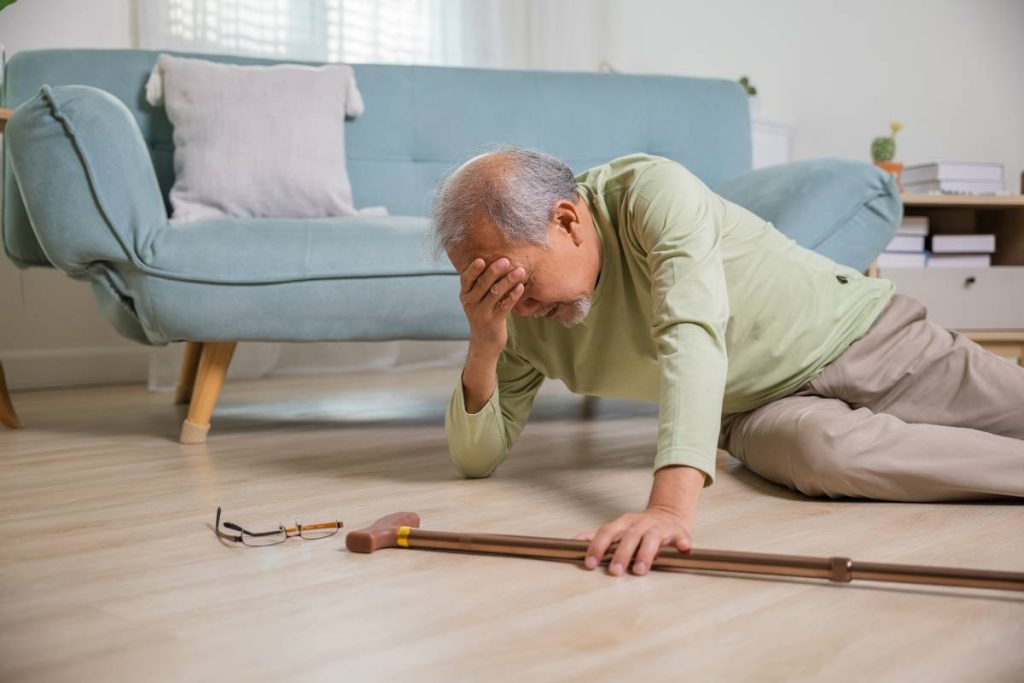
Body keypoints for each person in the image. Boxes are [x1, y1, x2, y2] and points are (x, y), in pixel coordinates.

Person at [431, 147, 1024, 578]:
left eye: (515, 277)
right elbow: (476, 459)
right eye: (482, 281)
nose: (515, 300)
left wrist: (668, 509)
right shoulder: (516, 316)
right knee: (826, 455)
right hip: (753, 410)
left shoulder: (648, 191)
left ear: (567, 221)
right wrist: (486, 343)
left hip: (863, 335)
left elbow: (691, 333)